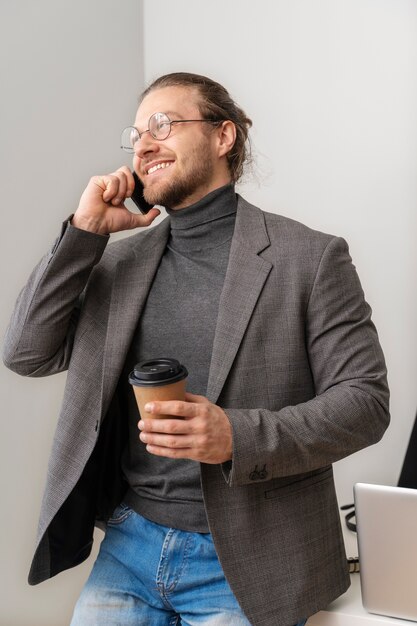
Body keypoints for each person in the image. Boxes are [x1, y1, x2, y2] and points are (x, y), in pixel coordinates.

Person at [3, 72, 390, 626]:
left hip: (250, 556)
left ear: (223, 136)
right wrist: (86, 230)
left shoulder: (311, 259)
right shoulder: (117, 262)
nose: (143, 144)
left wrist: (236, 436)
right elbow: (25, 352)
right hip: (129, 545)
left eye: (163, 124)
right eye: (136, 134)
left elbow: (365, 403)